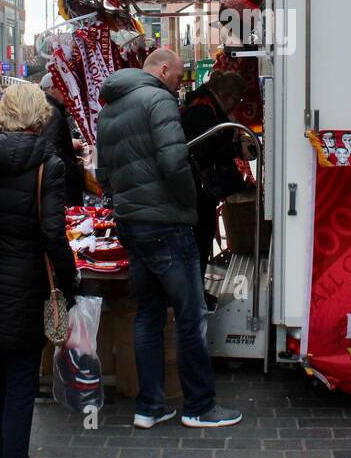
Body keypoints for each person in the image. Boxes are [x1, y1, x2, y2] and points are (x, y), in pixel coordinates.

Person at [96, 48, 242, 430]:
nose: (181, 83)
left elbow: (102, 170)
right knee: (190, 315)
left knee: (149, 313)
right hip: (165, 222)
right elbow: (174, 162)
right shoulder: (158, 100)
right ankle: (199, 406)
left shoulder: (110, 106)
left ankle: (150, 406)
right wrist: (187, 201)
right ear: (162, 70)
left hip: (132, 221)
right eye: (177, 75)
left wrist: (124, 201)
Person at [0, 82, 78, 458]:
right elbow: (52, 235)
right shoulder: (49, 165)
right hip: (27, 285)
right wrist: (67, 278)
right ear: (40, 116)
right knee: (22, 378)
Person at [181, 71, 250, 273]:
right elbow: (202, 152)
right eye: (236, 100)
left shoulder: (206, 106)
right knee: (201, 237)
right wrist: (236, 149)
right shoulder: (203, 110)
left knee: (203, 236)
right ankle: (196, 293)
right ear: (228, 96)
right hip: (199, 184)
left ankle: (197, 289)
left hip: (199, 184)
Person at [41, 72, 86, 206]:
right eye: (64, 86)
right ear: (52, 88)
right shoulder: (52, 112)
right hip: (63, 187)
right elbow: (53, 151)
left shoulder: (51, 109)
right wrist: (74, 167)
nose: (67, 92)